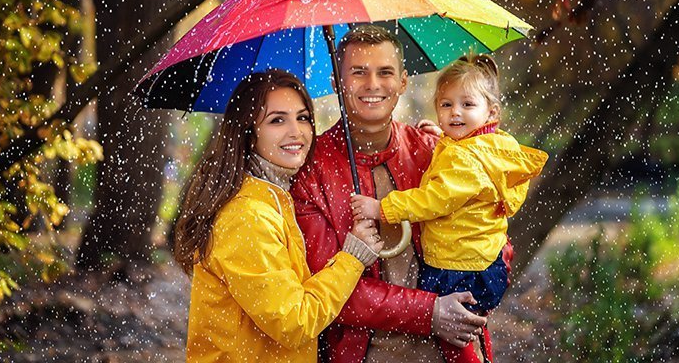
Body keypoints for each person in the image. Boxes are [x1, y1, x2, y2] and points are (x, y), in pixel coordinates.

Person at [291, 26, 497, 363]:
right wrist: (429, 312)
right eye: (358, 73)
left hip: (451, 353)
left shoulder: (434, 152)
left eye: (384, 72)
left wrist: (483, 277)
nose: (373, 84)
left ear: (402, 82)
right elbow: (325, 290)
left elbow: (492, 235)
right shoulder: (311, 172)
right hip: (364, 354)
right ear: (336, 84)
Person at [174, 70, 384, 362]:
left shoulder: (274, 197)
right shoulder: (247, 217)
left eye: (302, 117)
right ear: (248, 131)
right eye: (277, 120)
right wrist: (352, 258)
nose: (296, 131)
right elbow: (293, 322)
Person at [351, 54, 548, 356]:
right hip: (483, 262)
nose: (455, 113)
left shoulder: (464, 158)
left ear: (491, 111)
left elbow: (434, 199)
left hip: (458, 269)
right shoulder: (488, 146)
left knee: (450, 337)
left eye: (467, 105)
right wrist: (443, 140)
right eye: (446, 105)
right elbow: (465, 163)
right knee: (463, 340)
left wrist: (382, 209)